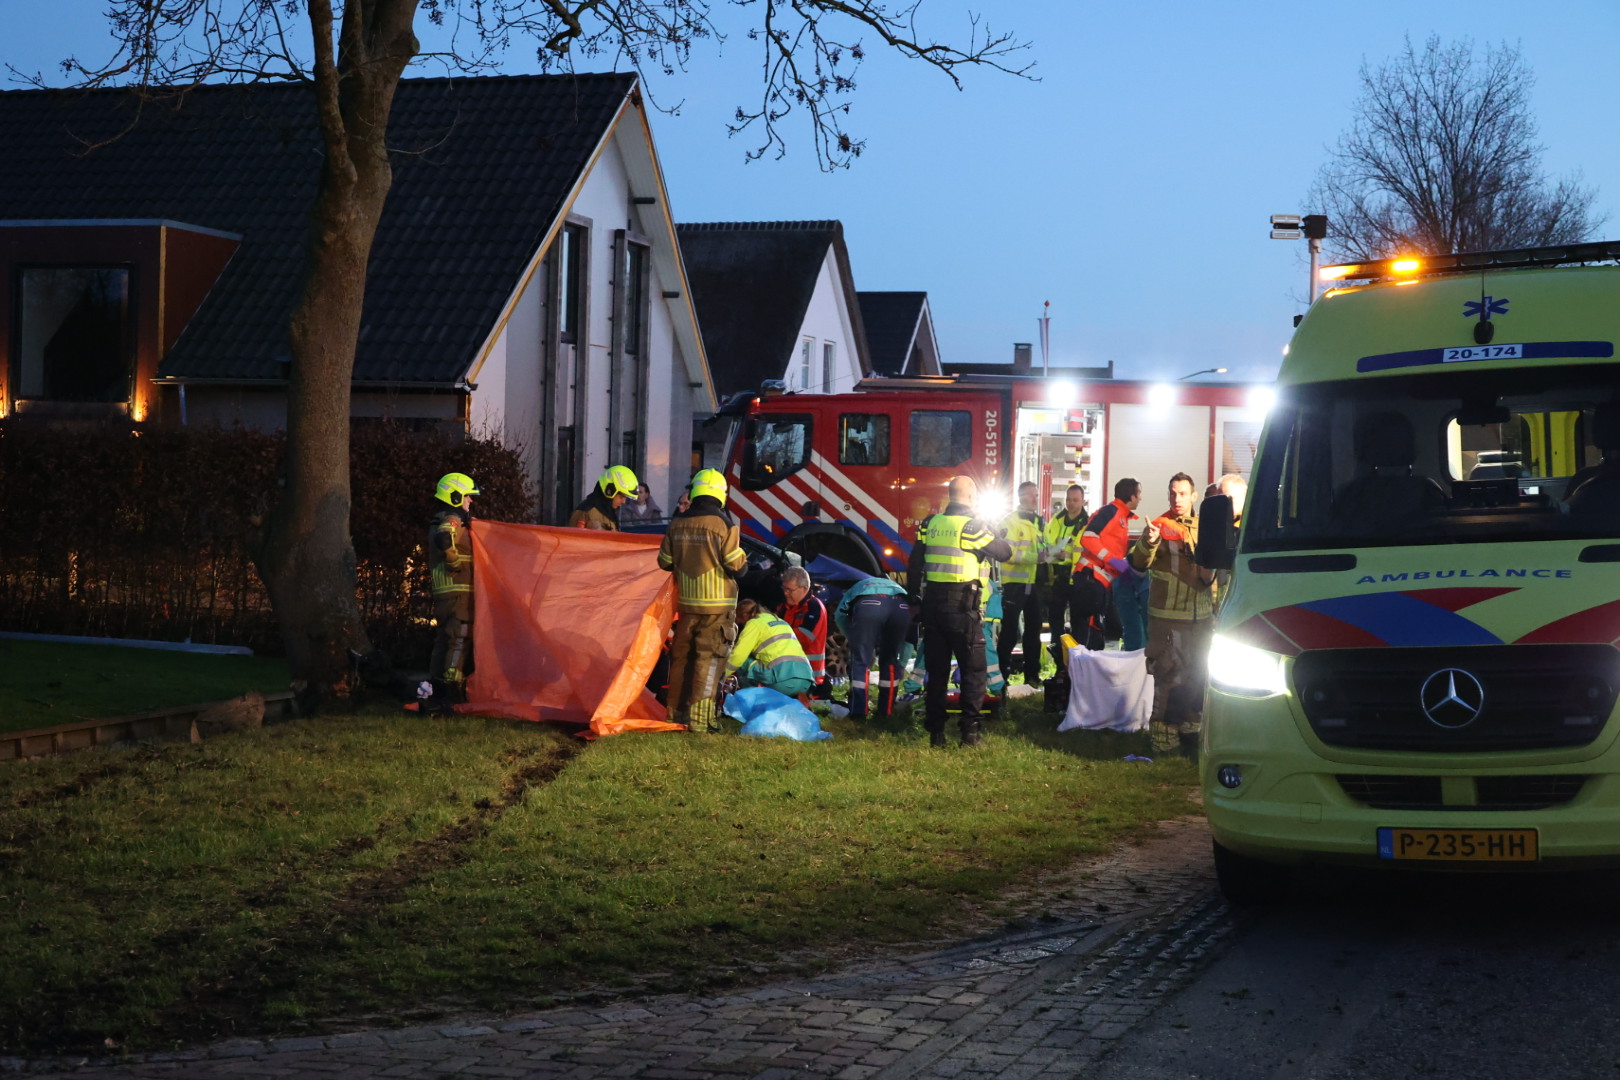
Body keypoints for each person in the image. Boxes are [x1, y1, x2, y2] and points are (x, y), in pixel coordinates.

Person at [906, 475, 1013, 748]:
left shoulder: (930, 524)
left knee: (937, 673)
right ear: (972, 497)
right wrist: (991, 528)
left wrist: (914, 600)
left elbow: (915, 562)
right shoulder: (973, 527)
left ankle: (937, 734)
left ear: (950, 496)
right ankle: (969, 734)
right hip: (963, 609)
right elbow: (1004, 552)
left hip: (933, 607)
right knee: (974, 672)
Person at [1128, 472, 1214, 760]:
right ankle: (1164, 744)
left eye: (1182, 493)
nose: (1177, 499)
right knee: (1168, 680)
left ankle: (1191, 737)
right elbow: (1138, 563)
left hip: (1201, 621)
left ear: (1194, 496)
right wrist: (1150, 541)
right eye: (1173, 493)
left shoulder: (1206, 528)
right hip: (1167, 620)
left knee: (1196, 679)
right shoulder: (1159, 527)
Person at [657, 469, 749, 732]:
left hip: (686, 607)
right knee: (708, 662)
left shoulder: (677, 523)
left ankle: (675, 716)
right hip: (717, 608)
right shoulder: (724, 525)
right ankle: (699, 722)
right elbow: (736, 565)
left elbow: (664, 562)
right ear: (720, 494)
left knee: (682, 661)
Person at [427, 472, 479, 704]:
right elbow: (443, 538)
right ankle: (451, 688)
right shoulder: (451, 519)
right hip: (457, 592)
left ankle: (437, 685)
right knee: (460, 638)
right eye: (468, 497)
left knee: (444, 639)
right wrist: (454, 560)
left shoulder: (439, 518)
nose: (471, 501)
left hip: (445, 592)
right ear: (456, 496)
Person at [1075, 477, 1143, 650]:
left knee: (1095, 632)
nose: (1140, 498)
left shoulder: (1120, 515)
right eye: (1139, 494)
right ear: (1132, 496)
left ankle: (1086, 673)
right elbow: (1088, 538)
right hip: (1091, 578)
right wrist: (1112, 560)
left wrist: (1121, 569)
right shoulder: (1111, 512)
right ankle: (1080, 674)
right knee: (1088, 635)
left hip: (1099, 580)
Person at [833, 574, 912, 721]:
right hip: (901, 608)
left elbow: (839, 615)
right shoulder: (898, 587)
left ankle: (859, 712)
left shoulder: (860, 586)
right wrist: (902, 663)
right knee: (890, 661)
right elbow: (910, 636)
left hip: (869, 606)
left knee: (860, 661)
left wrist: (852, 636)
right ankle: (886, 712)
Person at [997, 481, 1047, 685]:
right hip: (1014, 582)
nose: (1035, 498)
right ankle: (1001, 676)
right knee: (1009, 631)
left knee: (1034, 631)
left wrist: (1051, 553)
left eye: (1036, 494)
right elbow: (1006, 554)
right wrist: (1036, 557)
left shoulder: (1037, 522)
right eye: (1031, 495)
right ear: (1021, 497)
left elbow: (1040, 549)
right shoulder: (1008, 522)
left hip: (1033, 581)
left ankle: (1032, 675)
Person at [727, 599, 815, 698]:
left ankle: (747, 699)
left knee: (743, 661)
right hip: (806, 680)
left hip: (783, 681)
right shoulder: (780, 621)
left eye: (741, 622)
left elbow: (738, 655)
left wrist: (721, 675)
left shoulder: (754, 623)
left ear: (744, 615)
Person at [1042, 484, 1088, 644]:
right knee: (1055, 619)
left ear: (1083, 501)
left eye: (1075, 500)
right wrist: (1054, 555)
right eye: (1068, 499)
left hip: (1078, 576)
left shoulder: (1088, 523)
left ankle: (1077, 658)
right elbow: (1048, 543)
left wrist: (1066, 556)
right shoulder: (1057, 520)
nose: (1071, 503)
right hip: (1057, 576)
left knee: (1078, 621)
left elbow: (1087, 552)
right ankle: (1059, 658)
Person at [776, 566, 829, 693]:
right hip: (790, 671)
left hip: (809, 675)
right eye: (784, 589)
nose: (785, 593)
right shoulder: (785, 607)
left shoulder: (814, 608)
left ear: (804, 588)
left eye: (789, 590)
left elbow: (804, 638)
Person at [569, 465, 639, 530]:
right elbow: (574, 540)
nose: (623, 501)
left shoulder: (609, 513)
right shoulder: (585, 512)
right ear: (609, 491)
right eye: (621, 497)